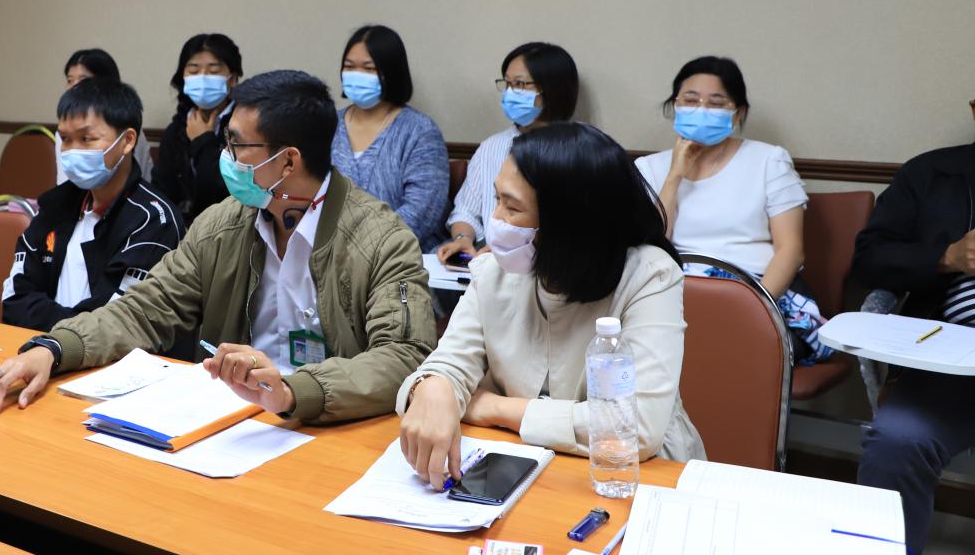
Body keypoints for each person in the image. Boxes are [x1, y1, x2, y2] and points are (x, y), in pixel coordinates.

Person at [0, 70, 437, 424]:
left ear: (288, 161)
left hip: (328, 423)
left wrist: (295, 390)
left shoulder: (381, 239)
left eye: (236, 145)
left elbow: (404, 356)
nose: (224, 158)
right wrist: (54, 348)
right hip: (225, 424)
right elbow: (144, 309)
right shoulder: (222, 225)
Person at [397, 123, 705, 489]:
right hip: (516, 461)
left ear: (568, 225)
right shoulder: (493, 271)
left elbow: (634, 426)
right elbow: (449, 363)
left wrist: (493, 407)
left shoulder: (649, 275)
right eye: (497, 199)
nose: (495, 220)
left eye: (512, 207)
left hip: (632, 476)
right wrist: (433, 387)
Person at [633, 56, 829, 365]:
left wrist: (753, 308)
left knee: (731, 355)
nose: (701, 110)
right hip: (674, 296)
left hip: (755, 291)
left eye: (716, 103)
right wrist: (674, 176)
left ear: (738, 113)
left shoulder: (769, 161)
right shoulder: (649, 167)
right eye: (691, 100)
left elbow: (791, 250)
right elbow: (653, 243)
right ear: (675, 106)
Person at [852, 96, 975, 555]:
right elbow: (868, 260)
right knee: (896, 442)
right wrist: (947, 257)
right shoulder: (929, 174)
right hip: (949, 361)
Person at [2, 79, 183, 330]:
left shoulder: (153, 220)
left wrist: (57, 333)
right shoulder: (55, 205)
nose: (72, 151)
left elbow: (118, 320)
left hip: (112, 355)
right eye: (66, 139)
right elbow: (14, 298)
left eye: (87, 138)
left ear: (127, 141)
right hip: (38, 347)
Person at [437, 41, 579, 265]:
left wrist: (509, 252)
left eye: (520, 84)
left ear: (552, 89)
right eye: (508, 84)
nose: (510, 93)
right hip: (487, 265)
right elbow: (465, 211)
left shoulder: (580, 150)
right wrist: (463, 238)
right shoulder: (491, 146)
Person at [330, 25, 449, 251]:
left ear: (391, 72)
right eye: (350, 67)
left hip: (402, 258)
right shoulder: (327, 124)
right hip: (331, 256)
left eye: (368, 68)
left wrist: (363, 248)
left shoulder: (420, 131)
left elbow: (421, 213)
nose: (357, 75)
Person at [154, 34, 243, 224]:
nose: (203, 78)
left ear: (233, 79)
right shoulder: (175, 130)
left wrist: (204, 140)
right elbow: (162, 193)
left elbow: (232, 191)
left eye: (213, 71)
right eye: (194, 71)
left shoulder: (245, 128)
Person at [58, 48, 152, 182]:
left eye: (87, 138)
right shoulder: (65, 128)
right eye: (69, 80)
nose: (74, 87)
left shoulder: (125, 130)